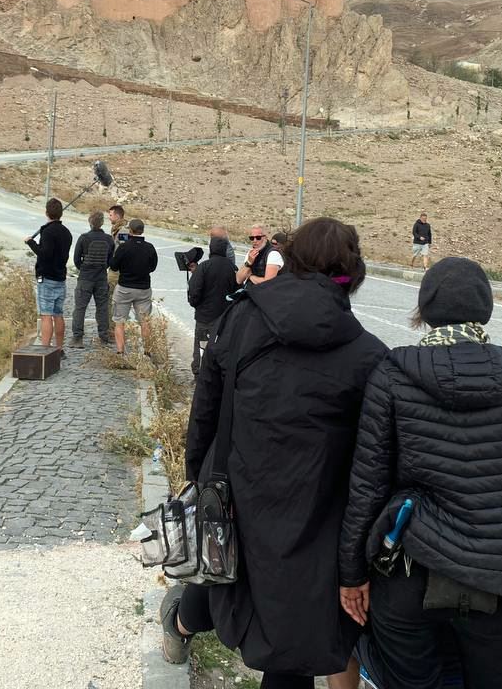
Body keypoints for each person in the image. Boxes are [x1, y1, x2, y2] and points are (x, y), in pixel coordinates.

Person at [161, 217, 389, 688]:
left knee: (219, 572)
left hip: (236, 485)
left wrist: (198, 478)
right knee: (291, 638)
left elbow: (206, 407)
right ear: (354, 275)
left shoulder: (241, 317)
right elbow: (371, 456)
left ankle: (179, 627)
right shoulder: (369, 354)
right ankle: (181, 625)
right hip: (314, 511)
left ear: (291, 259)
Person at [337, 257, 502, 689]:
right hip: (497, 582)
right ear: (485, 309)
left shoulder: (392, 377)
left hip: (408, 575)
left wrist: (352, 574)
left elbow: (367, 487)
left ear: (425, 309)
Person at [23, 197, 72, 353]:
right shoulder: (67, 232)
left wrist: (31, 243)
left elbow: (45, 254)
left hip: (47, 278)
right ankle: (59, 349)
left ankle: (45, 351)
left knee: (46, 315)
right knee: (58, 314)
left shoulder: (48, 232)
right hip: (60, 278)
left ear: (46, 213)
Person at [186, 231, 238, 374]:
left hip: (205, 317)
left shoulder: (203, 267)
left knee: (201, 347)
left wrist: (196, 304)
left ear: (211, 249)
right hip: (224, 317)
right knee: (221, 347)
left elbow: (194, 291)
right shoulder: (232, 268)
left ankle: (199, 373)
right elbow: (237, 291)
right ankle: (219, 374)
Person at [108, 218, 158, 355]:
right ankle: (147, 351)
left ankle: (120, 351)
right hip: (143, 288)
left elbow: (113, 266)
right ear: (142, 231)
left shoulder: (124, 247)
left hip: (125, 287)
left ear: (130, 230)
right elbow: (153, 267)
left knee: (119, 321)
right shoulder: (150, 247)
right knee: (144, 321)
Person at [71, 210, 116, 348]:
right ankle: (103, 338)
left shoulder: (84, 238)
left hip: (85, 277)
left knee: (80, 308)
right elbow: (110, 260)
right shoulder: (109, 239)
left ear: (90, 222)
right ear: (102, 223)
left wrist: (84, 268)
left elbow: (76, 259)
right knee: (102, 308)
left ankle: (77, 338)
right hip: (101, 278)